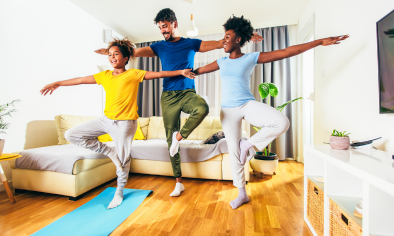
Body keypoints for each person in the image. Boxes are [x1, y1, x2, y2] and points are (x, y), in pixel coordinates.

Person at [94, 8, 263, 197]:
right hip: (168, 96)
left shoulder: (191, 43)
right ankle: (178, 182)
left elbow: (220, 43)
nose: (163, 30)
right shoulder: (159, 46)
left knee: (202, 107)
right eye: (160, 28)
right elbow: (133, 52)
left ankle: (179, 137)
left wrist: (246, 34)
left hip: (187, 92)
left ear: (174, 23)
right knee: (169, 138)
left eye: (164, 26)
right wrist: (110, 52)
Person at [193, 15, 349, 209]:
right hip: (228, 110)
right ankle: (242, 194)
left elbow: (286, 52)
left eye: (227, 37)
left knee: (282, 122)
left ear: (238, 39)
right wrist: (180, 71)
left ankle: (248, 145)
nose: (223, 41)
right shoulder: (221, 61)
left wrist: (318, 42)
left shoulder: (250, 58)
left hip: (247, 104)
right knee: (234, 152)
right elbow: (196, 71)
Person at [40, 37, 195, 209]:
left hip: (126, 124)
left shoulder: (133, 74)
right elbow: (81, 80)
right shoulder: (105, 76)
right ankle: (109, 152)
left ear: (126, 58)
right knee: (71, 134)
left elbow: (158, 74)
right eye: (110, 55)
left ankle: (119, 191)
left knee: (123, 159)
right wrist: (57, 84)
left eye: (116, 54)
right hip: (106, 120)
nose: (112, 57)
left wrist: (180, 72)